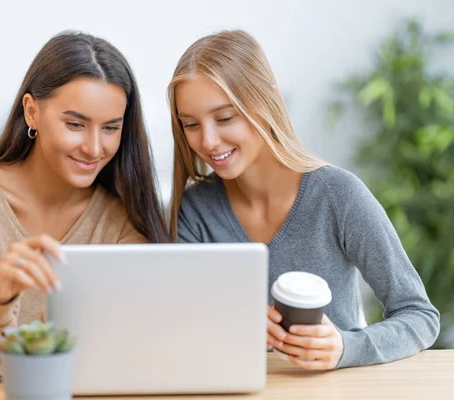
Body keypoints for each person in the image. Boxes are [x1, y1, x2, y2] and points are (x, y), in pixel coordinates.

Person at [167, 29, 439, 370]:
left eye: (225, 118)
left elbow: (419, 316)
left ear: (264, 102)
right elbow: (181, 325)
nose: (207, 141)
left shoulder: (338, 196)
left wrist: (345, 347)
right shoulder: (194, 211)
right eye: (190, 124)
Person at [0, 31, 169, 372]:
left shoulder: (123, 219)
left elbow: (125, 341)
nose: (94, 148)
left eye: (111, 128)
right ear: (31, 112)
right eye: (75, 124)